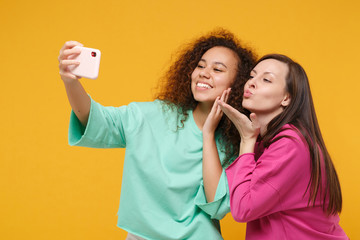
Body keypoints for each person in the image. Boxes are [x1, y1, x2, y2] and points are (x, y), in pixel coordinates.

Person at [57, 29, 256, 240]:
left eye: (218, 69)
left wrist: (208, 134)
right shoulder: (155, 115)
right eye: (200, 65)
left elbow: (216, 206)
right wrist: (70, 82)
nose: (204, 73)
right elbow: (98, 121)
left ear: (237, 84)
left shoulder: (236, 142)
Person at [212, 54, 348, 239]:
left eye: (266, 79)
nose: (251, 83)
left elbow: (243, 208)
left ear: (286, 98)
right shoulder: (270, 141)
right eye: (252, 76)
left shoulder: (290, 144)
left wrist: (247, 141)